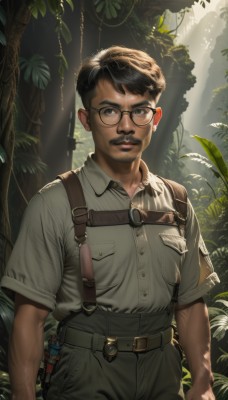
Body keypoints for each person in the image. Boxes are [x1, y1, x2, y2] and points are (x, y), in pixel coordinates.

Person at [1, 45, 219, 400]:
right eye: (109, 111)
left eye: (139, 112)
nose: (126, 126)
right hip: (84, 376)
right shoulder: (53, 204)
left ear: (156, 117)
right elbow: (30, 319)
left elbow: (192, 305)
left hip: (163, 375)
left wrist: (204, 380)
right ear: (87, 119)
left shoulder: (177, 202)